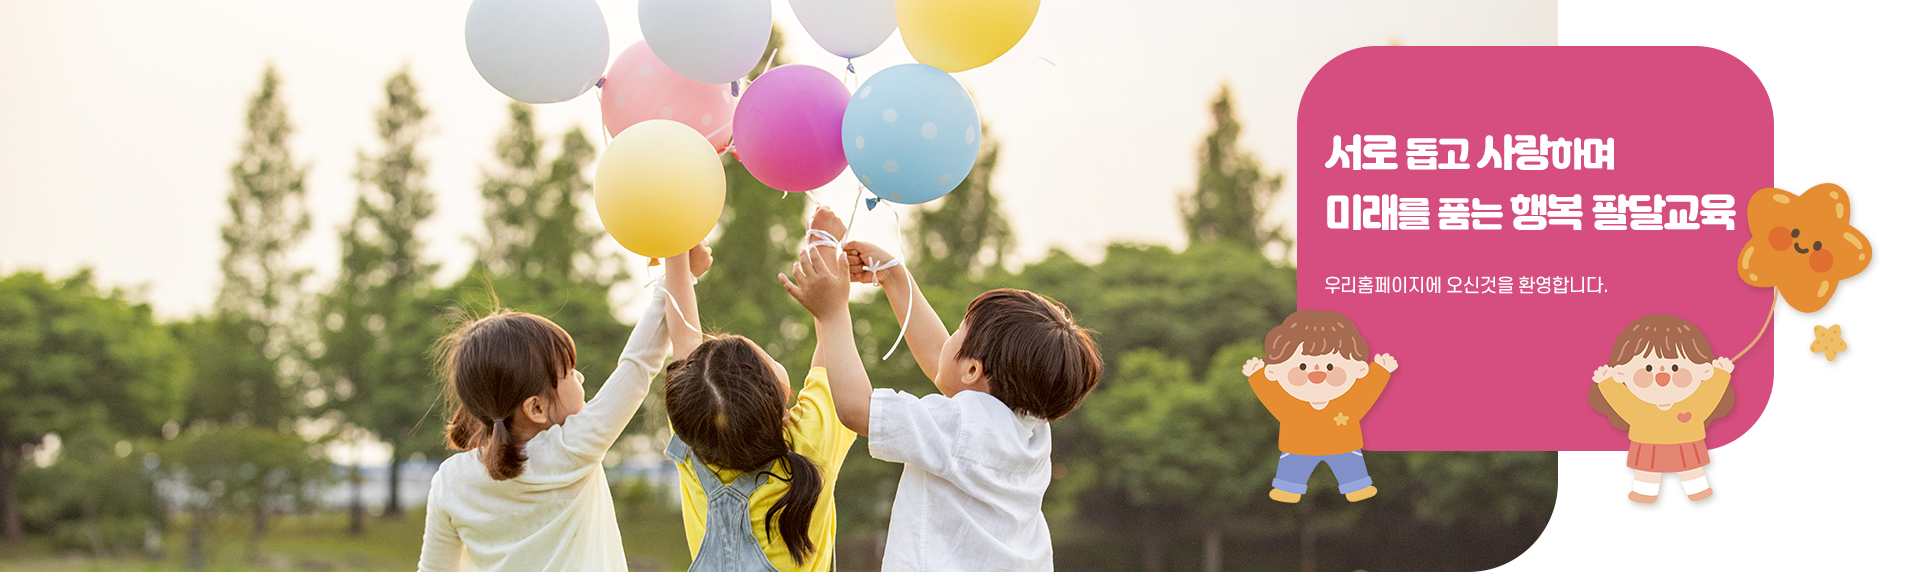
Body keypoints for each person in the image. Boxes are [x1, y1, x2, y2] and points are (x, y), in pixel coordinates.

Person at [779, 211, 1103, 571]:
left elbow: (857, 408)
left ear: (973, 370)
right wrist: (893, 277)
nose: (949, 338)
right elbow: (942, 365)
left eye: (959, 331)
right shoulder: (1031, 429)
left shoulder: (959, 427)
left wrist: (832, 313)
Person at [415, 247, 704, 572]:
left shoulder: (450, 481)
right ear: (536, 407)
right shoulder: (572, 449)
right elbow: (638, 364)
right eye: (569, 372)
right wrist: (680, 269)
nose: (580, 377)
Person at [659, 221, 858, 571]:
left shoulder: (697, 438)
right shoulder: (809, 444)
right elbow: (832, 345)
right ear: (782, 409)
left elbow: (684, 343)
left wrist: (679, 244)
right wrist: (822, 243)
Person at [1242, 310, 1398, 503]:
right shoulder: (1290, 405)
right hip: (1300, 446)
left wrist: (1380, 371)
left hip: (1340, 445)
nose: (1317, 374)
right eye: (1302, 367)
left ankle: (1355, 485)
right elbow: (1271, 396)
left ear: (1358, 369)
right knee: (1293, 468)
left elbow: (1367, 392)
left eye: (1330, 366)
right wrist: (1258, 376)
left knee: (1349, 465)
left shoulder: (1348, 402)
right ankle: (1288, 487)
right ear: (1275, 371)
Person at [1590, 314, 1736, 512]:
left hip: (1683, 444)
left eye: (1675, 367)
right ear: (1622, 373)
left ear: (1703, 370)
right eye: (1648, 368)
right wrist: (1607, 383)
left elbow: (1710, 397)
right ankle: (1644, 495)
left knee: (1691, 472)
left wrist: (1720, 375)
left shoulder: (1693, 406)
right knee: (1647, 475)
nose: (1662, 376)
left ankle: (1698, 492)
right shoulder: (1640, 411)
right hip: (1651, 446)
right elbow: (1621, 402)